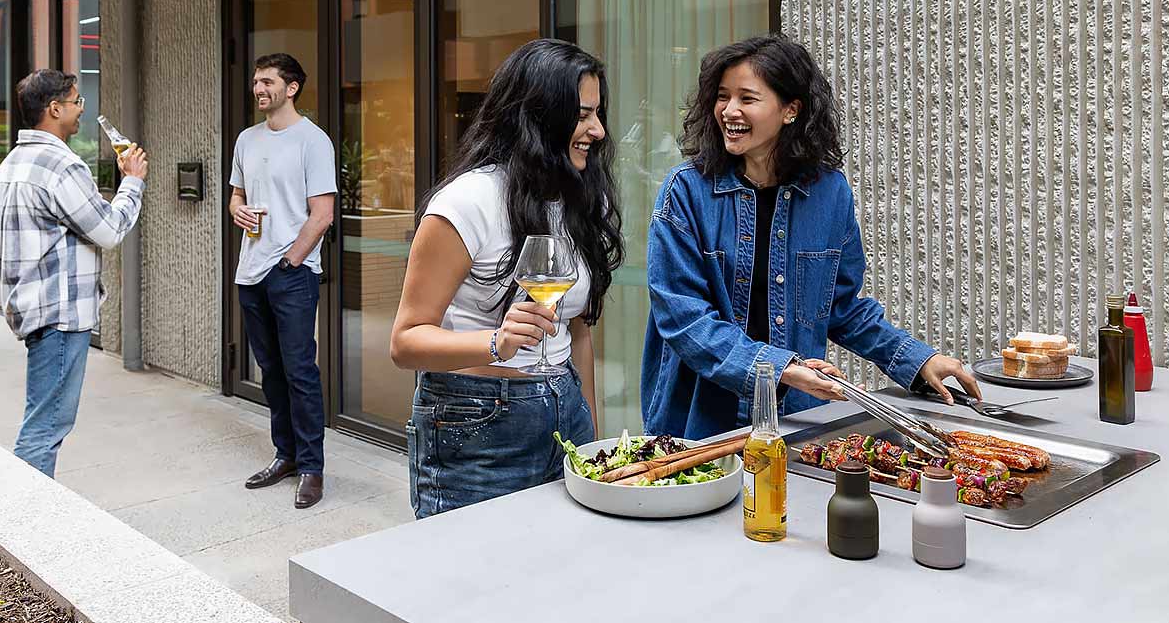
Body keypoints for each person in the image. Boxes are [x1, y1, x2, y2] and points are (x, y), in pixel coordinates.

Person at [642, 35, 982, 439]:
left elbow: (841, 307)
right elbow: (684, 320)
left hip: (795, 419)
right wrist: (780, 367)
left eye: (747, 98)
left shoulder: (830, 192)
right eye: (722, 96)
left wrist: (916, 359)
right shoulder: (685, 191)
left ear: (790, 110)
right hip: (699, 422)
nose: (729, 110)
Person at [390, 39, 624, 518]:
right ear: (537, 116)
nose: (597, 130)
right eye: (582, 115)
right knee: (474, 579)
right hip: (476, 420)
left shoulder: (582, 200)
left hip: (565, 410)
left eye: (598, 114)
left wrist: (592, 444)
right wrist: (496, 342)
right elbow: (406, 341)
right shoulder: (467, 202)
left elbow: (580, 333)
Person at [0, 69, 148, 477]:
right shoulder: (62, 168)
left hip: (30, 308)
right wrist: (132, 182)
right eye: (77, 102)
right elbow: (110, 230)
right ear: (54, 109)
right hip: (60, 314)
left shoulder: (7, 169)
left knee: (43, 418)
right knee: (45, 428)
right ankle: (24, 527)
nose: (81, 110)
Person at [229, 53, 336, 509]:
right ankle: (286, 455)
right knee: (271, 372)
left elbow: (323, 214)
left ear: (292, 88)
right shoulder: (247, 140)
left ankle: (312, 467)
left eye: (267, 82)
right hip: (250, 273)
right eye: (256, 82)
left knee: (300, 373)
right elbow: (237, 197)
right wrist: (236, 210)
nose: (259, 89)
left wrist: (290, 262)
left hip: (291, 275)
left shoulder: (313, 141)